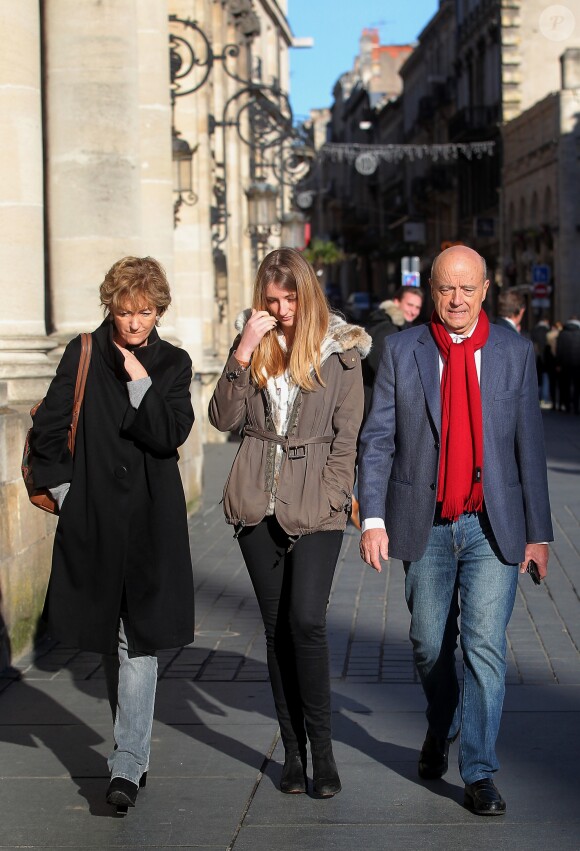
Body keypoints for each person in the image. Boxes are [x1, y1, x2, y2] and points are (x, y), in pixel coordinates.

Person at [358, 245, 552, 816]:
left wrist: (538, 534)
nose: (457, 300)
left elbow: (530, 451)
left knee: (485, 649)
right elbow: (378, 439)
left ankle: (479, 772)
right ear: (432, 291)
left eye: (468, 289)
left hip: (494, 524)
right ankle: (438, 721)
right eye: (447, 289)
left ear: (486, 290)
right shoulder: (402, 350)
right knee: (427, 643)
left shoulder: (514, 352)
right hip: (428, 521)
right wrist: (372, 517)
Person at [31, 256, 195, 811]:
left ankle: (127, 764)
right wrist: (68, 498)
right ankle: (132, 751)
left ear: (159, 310)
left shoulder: (172, 363)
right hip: (95, 519)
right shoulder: (83, 353)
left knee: (138, 639)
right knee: (109, 637)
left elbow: (171, 432)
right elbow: (49, 428)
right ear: (111, 307)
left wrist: (141, 383)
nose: (134, 324)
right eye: (125, 312)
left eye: (145, 313)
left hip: (151, 521)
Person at [209, 248, 370, 798]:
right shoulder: (254, 348)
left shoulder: (342, 351)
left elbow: (349, 436)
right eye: (271, 301)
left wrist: (332, 495)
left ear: (307, 293)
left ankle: (323, 753)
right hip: (257, 500)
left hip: (317, 504)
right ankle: (294, 754)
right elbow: (222, 419)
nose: (281, 310)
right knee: (277, 629)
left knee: (308, 622)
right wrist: (243, 349)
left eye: (289, 299)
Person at [362, 286, 424, 409]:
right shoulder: (389, 328)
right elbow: (379, 364)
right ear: (396, 302)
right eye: (410, 305)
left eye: (417, 307)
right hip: (376, 401)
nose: (413, 311)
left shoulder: (399, 327)